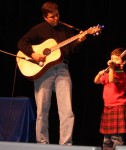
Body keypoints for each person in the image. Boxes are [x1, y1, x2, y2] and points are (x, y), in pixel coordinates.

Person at [17, 1, 86, 145]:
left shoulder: (66, 30)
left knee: (67, 111)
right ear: (45, 17)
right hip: (44, 71)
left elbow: (72, 50)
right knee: (42, 110)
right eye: (52, 17)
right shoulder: (38, 29)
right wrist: (34, 54)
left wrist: (79, 41)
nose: (56, 19)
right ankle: (42, 144)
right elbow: (22, 43)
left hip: (62, 69)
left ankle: (66, 145)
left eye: (57, 15)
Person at [94, 48, 126, 150]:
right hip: (108, 107)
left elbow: (111, 79)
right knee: (106, 140)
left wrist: (111, 68)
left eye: (116, 59)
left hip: (117, 107)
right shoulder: (108, 72)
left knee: (117, 139)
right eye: (112, 58)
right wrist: (99, 73)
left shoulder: (120, 72)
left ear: (123, 62)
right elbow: (96, 81)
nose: (113, 61)